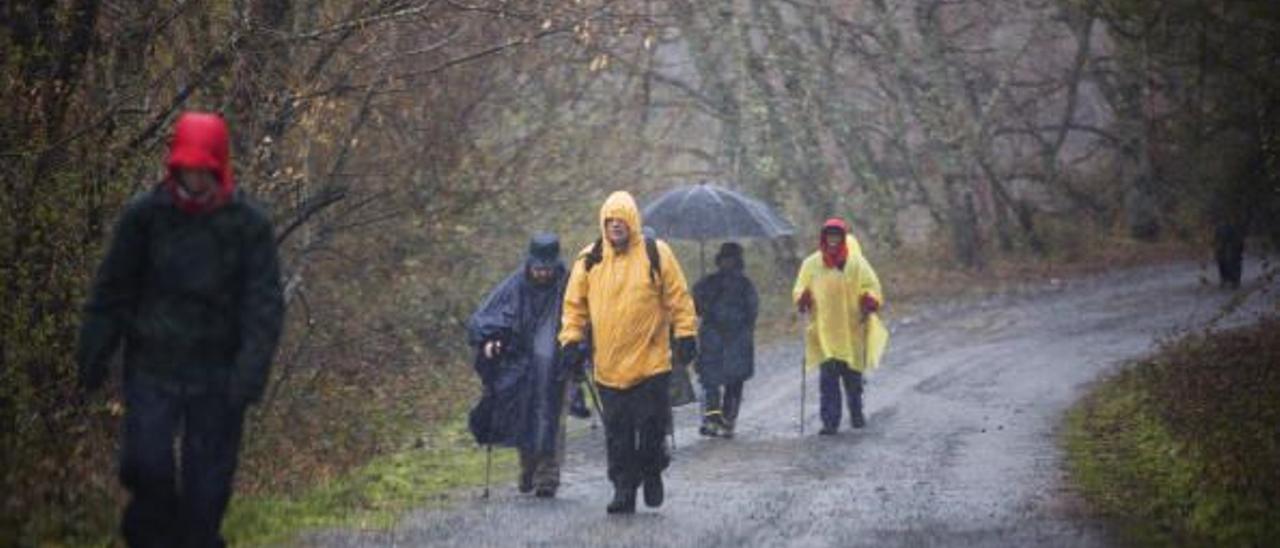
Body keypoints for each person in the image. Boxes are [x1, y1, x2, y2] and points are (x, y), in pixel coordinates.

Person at [76, 111, 285, 547]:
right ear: (175, 167)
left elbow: (263, 307)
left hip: (218, 375)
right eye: (187, 169)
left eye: (203, 171)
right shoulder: (145, 218)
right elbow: (112, 290)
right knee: (146, 467)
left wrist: (249, 375)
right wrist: (92, 354)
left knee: (206, 491)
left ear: (218, 167)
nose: (195, 180)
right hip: (153, 366)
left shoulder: (248, 226)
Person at [559, 191, 698, 514]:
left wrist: (686, 333)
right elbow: (573, 307)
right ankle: (623, 488)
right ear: (603, 224)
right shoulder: (589, 258)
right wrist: (570, 341)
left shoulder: (656, 253)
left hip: (651, 364)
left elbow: (679, 297)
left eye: (621, 221)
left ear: (632, 222)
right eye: (610, 221)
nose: (615, 226)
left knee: (651, 429)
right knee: (618, 435)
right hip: (608, 367)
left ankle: (652, 469)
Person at [467, 233, 571, 498]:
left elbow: (583, 315)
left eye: (547, 268)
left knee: (552, 417)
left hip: (557, 364)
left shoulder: (568, 284)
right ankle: (529, 467)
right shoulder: (515, 285)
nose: (543, 273)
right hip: (523, 365)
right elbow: (486, 317)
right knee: (525, 415)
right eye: (538, 268)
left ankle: (547, 475)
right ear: (530, 264)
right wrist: (490, 340)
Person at [792, 218, 887, 436]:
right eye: (829, 236)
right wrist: (802, 298)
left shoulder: (856, 263)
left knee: (853, 378)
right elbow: (799, 288)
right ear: (823, 238)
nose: (833, 240)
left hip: (852, 328)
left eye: (837, 236)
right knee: (828, 380)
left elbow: (872, 286)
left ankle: (856, 412)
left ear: (843, 238)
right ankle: (830, 422)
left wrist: (869, 299)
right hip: (825, 331)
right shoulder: (811, 264)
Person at [692, 242, 758, 438]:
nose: (727, 262)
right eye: (725, 258)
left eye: (731, 259)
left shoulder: (743, 285)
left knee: (731, 382)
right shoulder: (710, 283)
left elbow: (751, 312)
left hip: (733, 339)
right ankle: (715, 419)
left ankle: (726, 420)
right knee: (713, 382)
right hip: (716, 339)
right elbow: (696, 308)